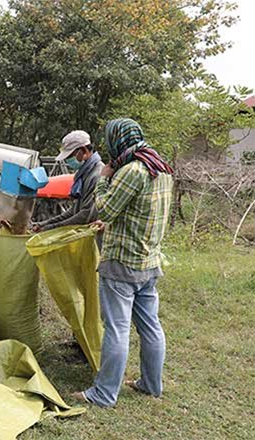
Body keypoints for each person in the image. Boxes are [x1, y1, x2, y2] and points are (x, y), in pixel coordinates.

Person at [72, 118, 174, 408]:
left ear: (118, 140)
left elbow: (105, 207)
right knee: (151, 326)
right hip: (149, 261)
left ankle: (103, 394)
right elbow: (141, 213)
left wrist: (104, 177)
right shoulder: (161, 168)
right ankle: (151, 385)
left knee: (117, 328)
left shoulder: (131, 170)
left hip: (122, 264)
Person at [32, 130, 104, 234]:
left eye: (70, 156)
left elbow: (86, 215)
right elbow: (73, 211)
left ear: (83, 150)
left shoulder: (96, 175)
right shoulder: (83, 174)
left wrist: (51, 228)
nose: (67, 161)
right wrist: (44, 224)